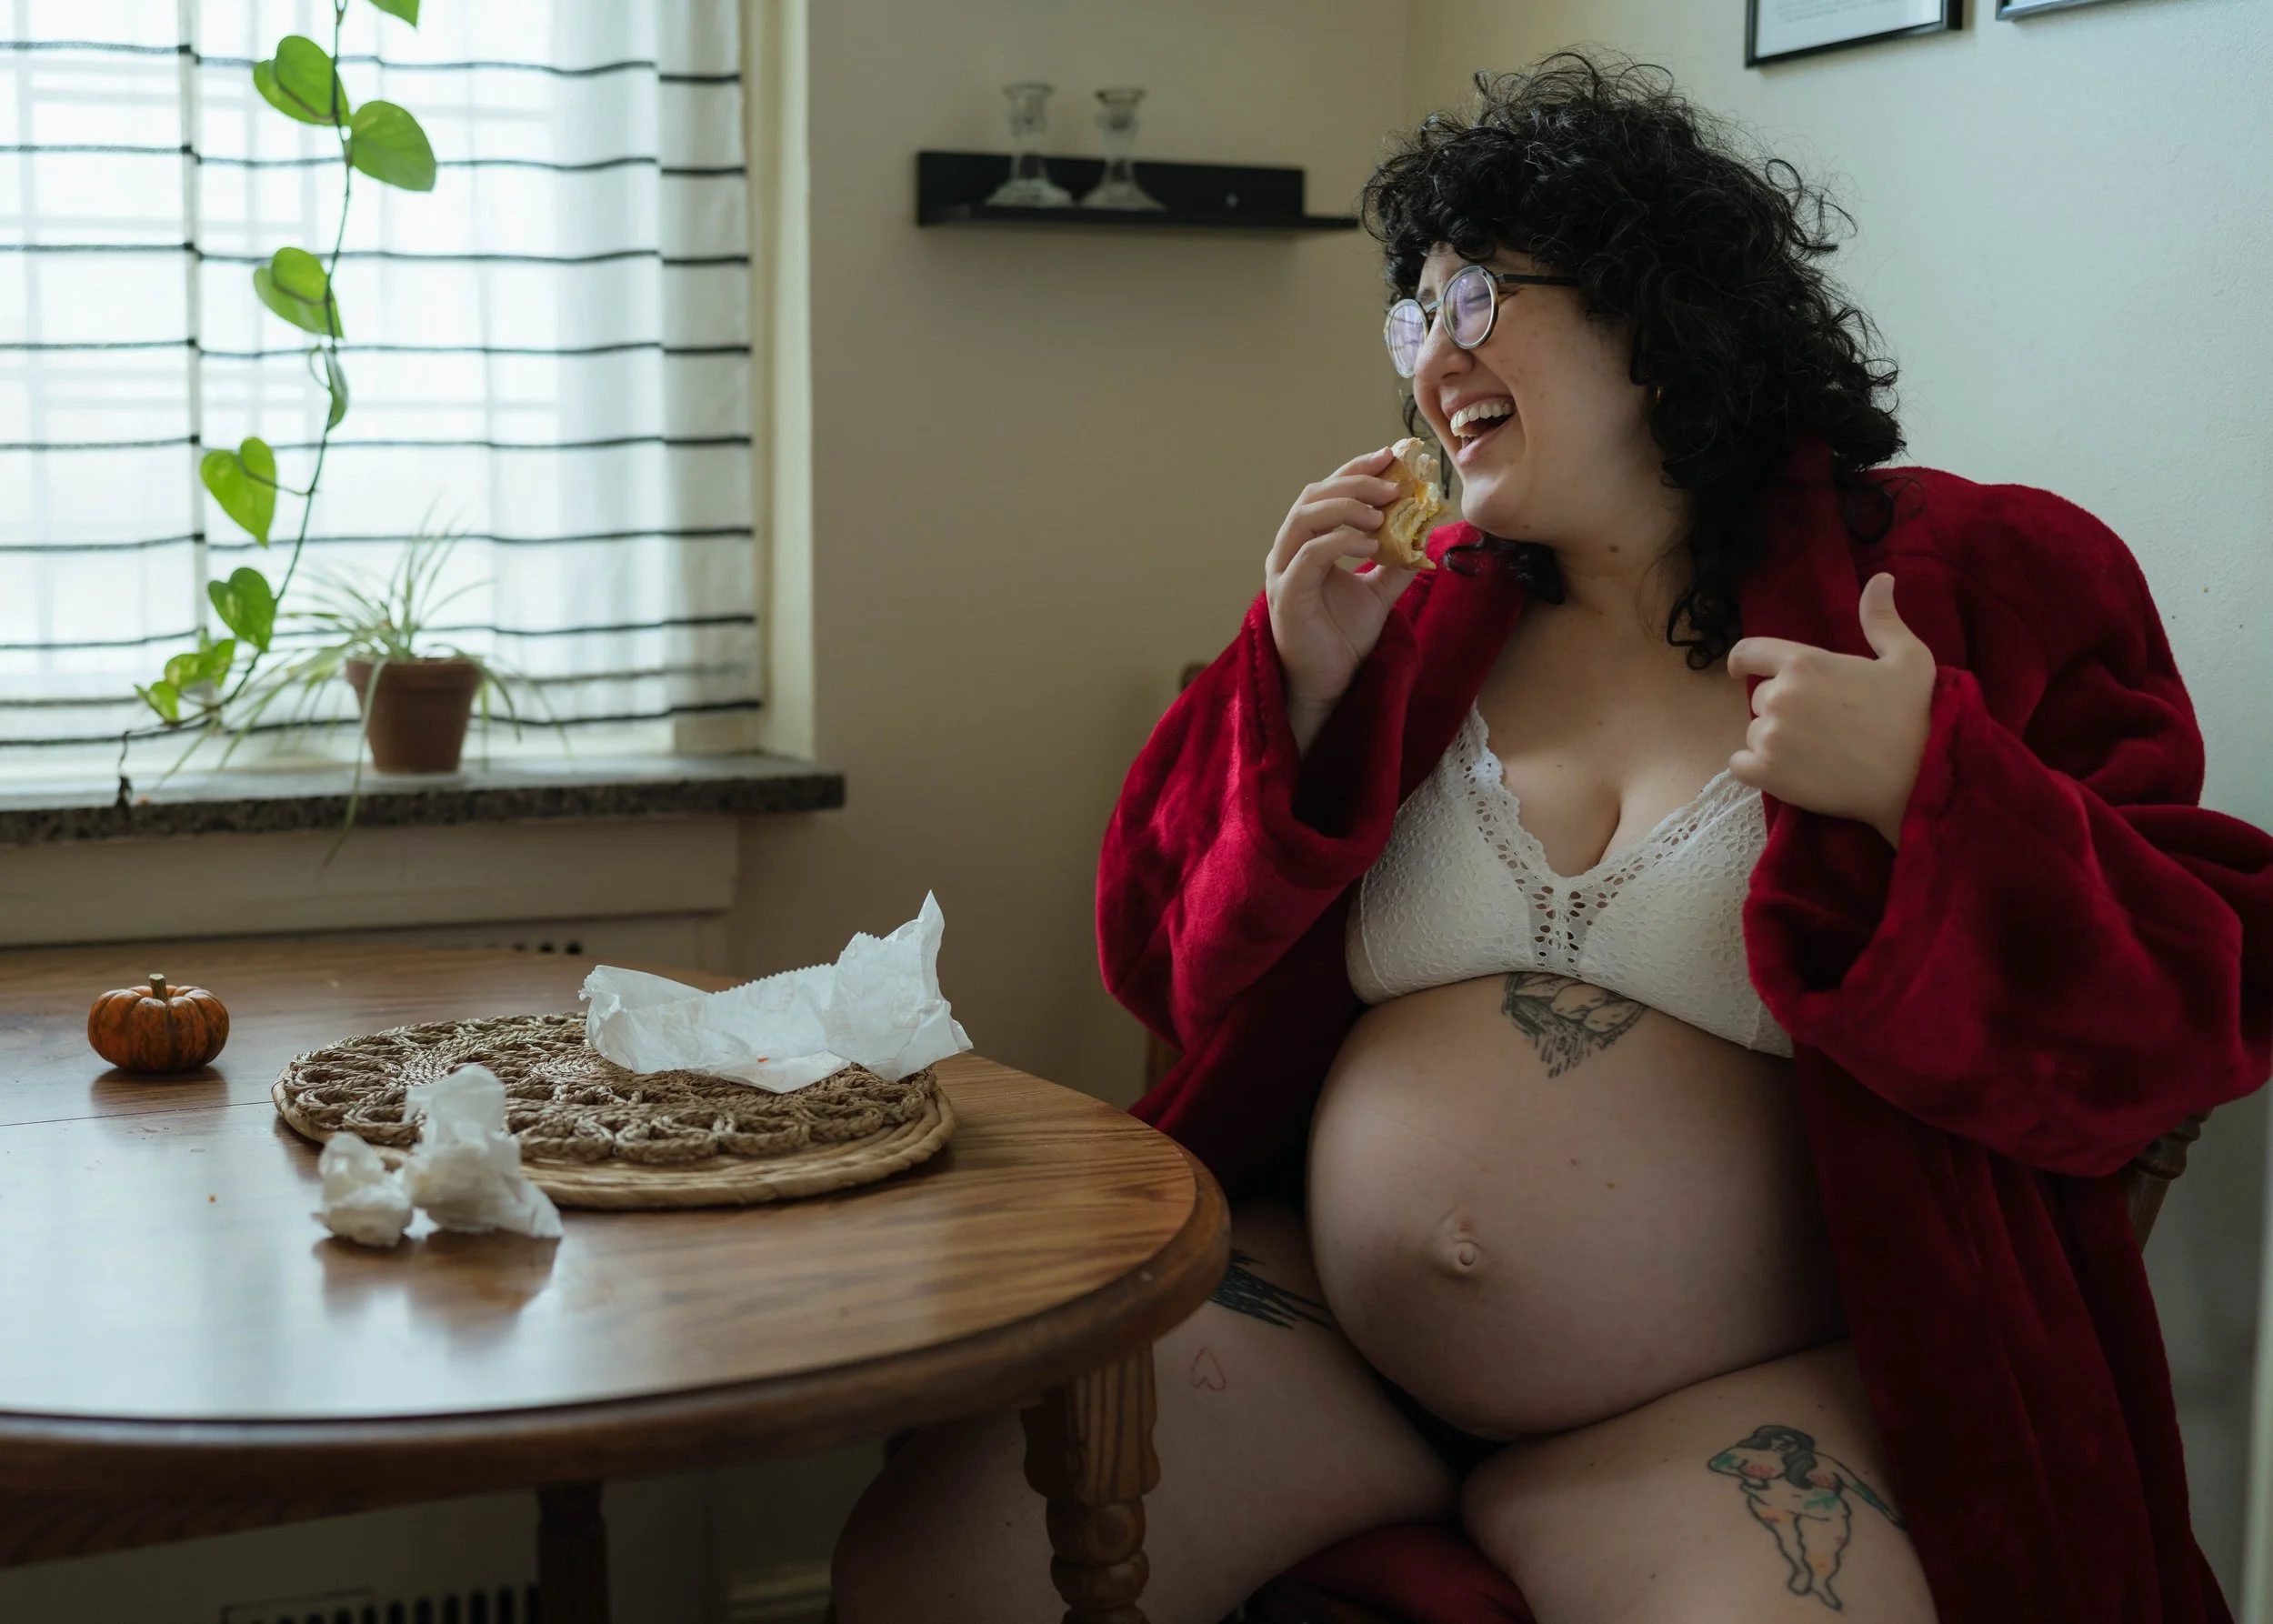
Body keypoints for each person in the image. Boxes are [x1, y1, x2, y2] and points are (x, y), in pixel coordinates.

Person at [832, 54, 2273, 1624]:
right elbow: (1161, 965)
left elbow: (2205, 995)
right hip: (1336, 1342)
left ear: (1658, 313)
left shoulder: (1975, 582)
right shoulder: (1405, 624)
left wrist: (1933, 792)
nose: (1434, 360)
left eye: (1476, 299)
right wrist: (1293, 692)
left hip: (1732, 1394)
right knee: (928, 1569)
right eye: (1413, 319)